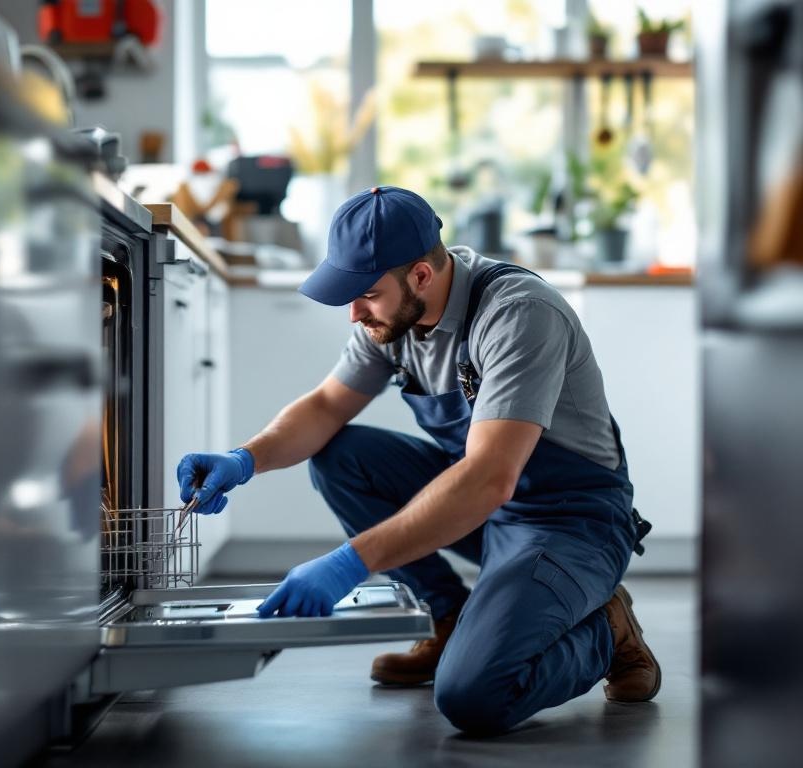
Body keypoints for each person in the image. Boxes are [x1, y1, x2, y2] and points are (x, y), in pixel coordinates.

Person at [176, 186, 660, 735]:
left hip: (568, 520)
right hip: (488, 508)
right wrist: (244, 459)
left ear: (422, 277)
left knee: (475, 696)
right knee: (341, 456)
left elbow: (487, 478)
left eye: (365, 295)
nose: (354, 312)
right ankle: (447, 618)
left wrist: (349, 563)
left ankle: (606, 632)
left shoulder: (518, 315)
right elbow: (325, 407)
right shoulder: (392, 319)